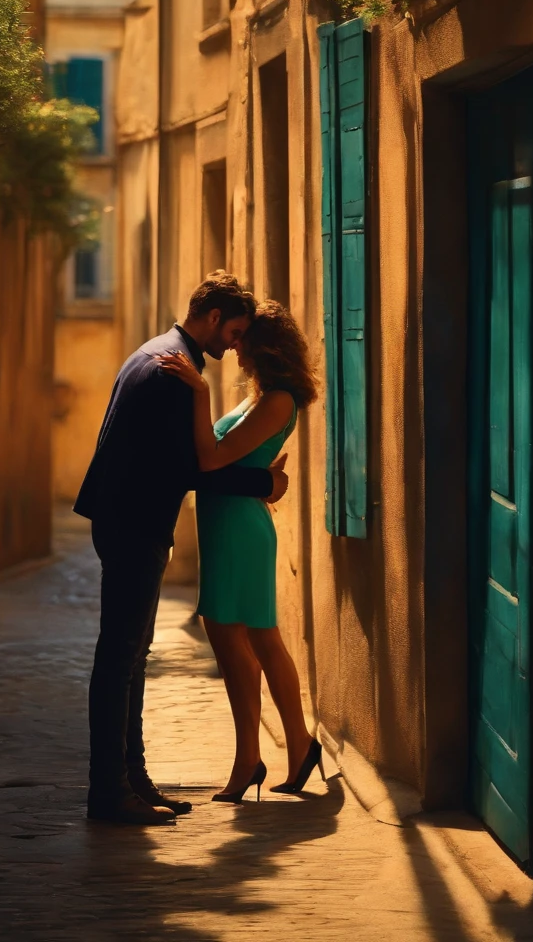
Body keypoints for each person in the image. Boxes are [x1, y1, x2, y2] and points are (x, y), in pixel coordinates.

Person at [75, 272, 290, 827]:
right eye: (236, 331)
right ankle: (110, 791)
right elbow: (190, 467)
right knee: (119, 658)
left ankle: (133, 782)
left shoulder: (159, 352)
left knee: (131, 656)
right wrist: (262, 485)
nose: (238, 344)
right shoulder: (177, 370)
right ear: (214, 319)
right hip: (134, 524)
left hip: (127, 519)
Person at [157, 300, 322, 802]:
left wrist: (201, 391)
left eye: (243, 337)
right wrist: (265, 480)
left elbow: (209, 458)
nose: (234, 345)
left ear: (263, 344)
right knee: (247, 640)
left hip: (240, 530)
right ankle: (294, 747)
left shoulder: (277, 402)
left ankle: (256, 757)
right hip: (227, 523)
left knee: (251, 641)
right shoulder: (260, 398)